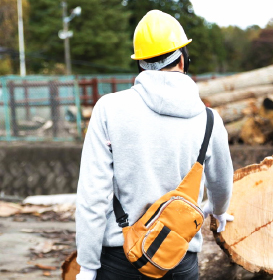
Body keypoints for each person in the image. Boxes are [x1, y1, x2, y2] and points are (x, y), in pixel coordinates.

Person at [75, 10, 233, 280]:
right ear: (182, 60)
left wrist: (88, 266)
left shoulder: (109, 109)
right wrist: (218, 210)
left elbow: (93, 196)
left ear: (140, 64)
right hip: (179, 259)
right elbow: (221, 183)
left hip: (119, 258)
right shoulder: (209, 119)